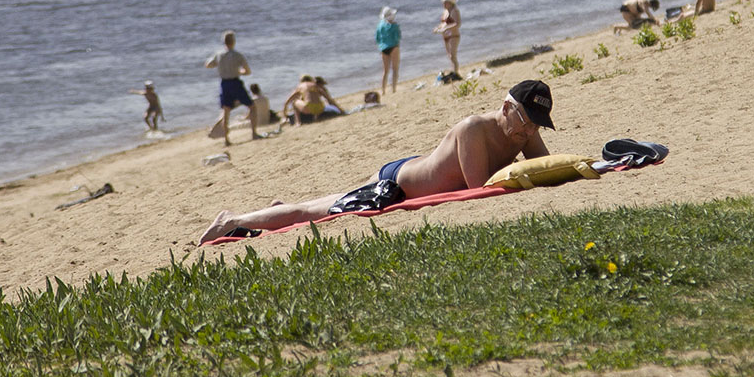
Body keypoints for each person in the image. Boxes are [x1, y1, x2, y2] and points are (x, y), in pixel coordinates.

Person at [198, 80, 555, 243]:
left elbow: (547, 171)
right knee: (307, 215)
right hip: (392, 186)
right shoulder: (473, 129)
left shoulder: (522, 129)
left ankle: (279, 208)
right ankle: (232, 219)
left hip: (411, 170)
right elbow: (480, 189)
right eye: (525, 122)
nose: (528, 133)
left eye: (536, 126)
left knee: (312, 207)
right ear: (507, 108)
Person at [204, 30, 256, 146]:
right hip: (235, 82)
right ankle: (254, 133)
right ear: (234, 41)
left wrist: (220, 66)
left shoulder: (219, 55)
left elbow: (207, 64)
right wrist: (239, 72)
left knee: (226, 112)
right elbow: (247, 71)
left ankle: (226, 140)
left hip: (224, 84)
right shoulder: (237, 55)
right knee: (251, 106)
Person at [433, 0, 461, 78]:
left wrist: (446, 28)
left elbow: (457, 24)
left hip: (453, 36)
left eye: (445, 2)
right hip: (446, 36)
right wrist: (438, 28)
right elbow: (443, 23)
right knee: (450, 56)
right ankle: (454, 71)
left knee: (453, 55)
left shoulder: (454, 11)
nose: (444, 4)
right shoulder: (445, 11)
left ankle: (456, 73)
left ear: (450, 3)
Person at [376, 6, 401, 96]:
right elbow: (397, 37)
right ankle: (393, 89)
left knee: (385, 71)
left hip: (383, 48)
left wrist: (381, 46)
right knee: (395, 69)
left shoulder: (379, 26)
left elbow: (377, 38)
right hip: (394, 47)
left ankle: (383, 90)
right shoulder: (394, 25)